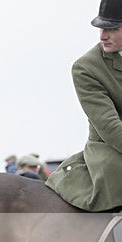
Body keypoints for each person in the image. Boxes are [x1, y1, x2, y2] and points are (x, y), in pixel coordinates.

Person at [47, 0, 122, 212]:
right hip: (111, 148)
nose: (102, 36)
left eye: (112, 29)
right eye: (101, 28)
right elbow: (109, 126)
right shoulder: (86, 67)